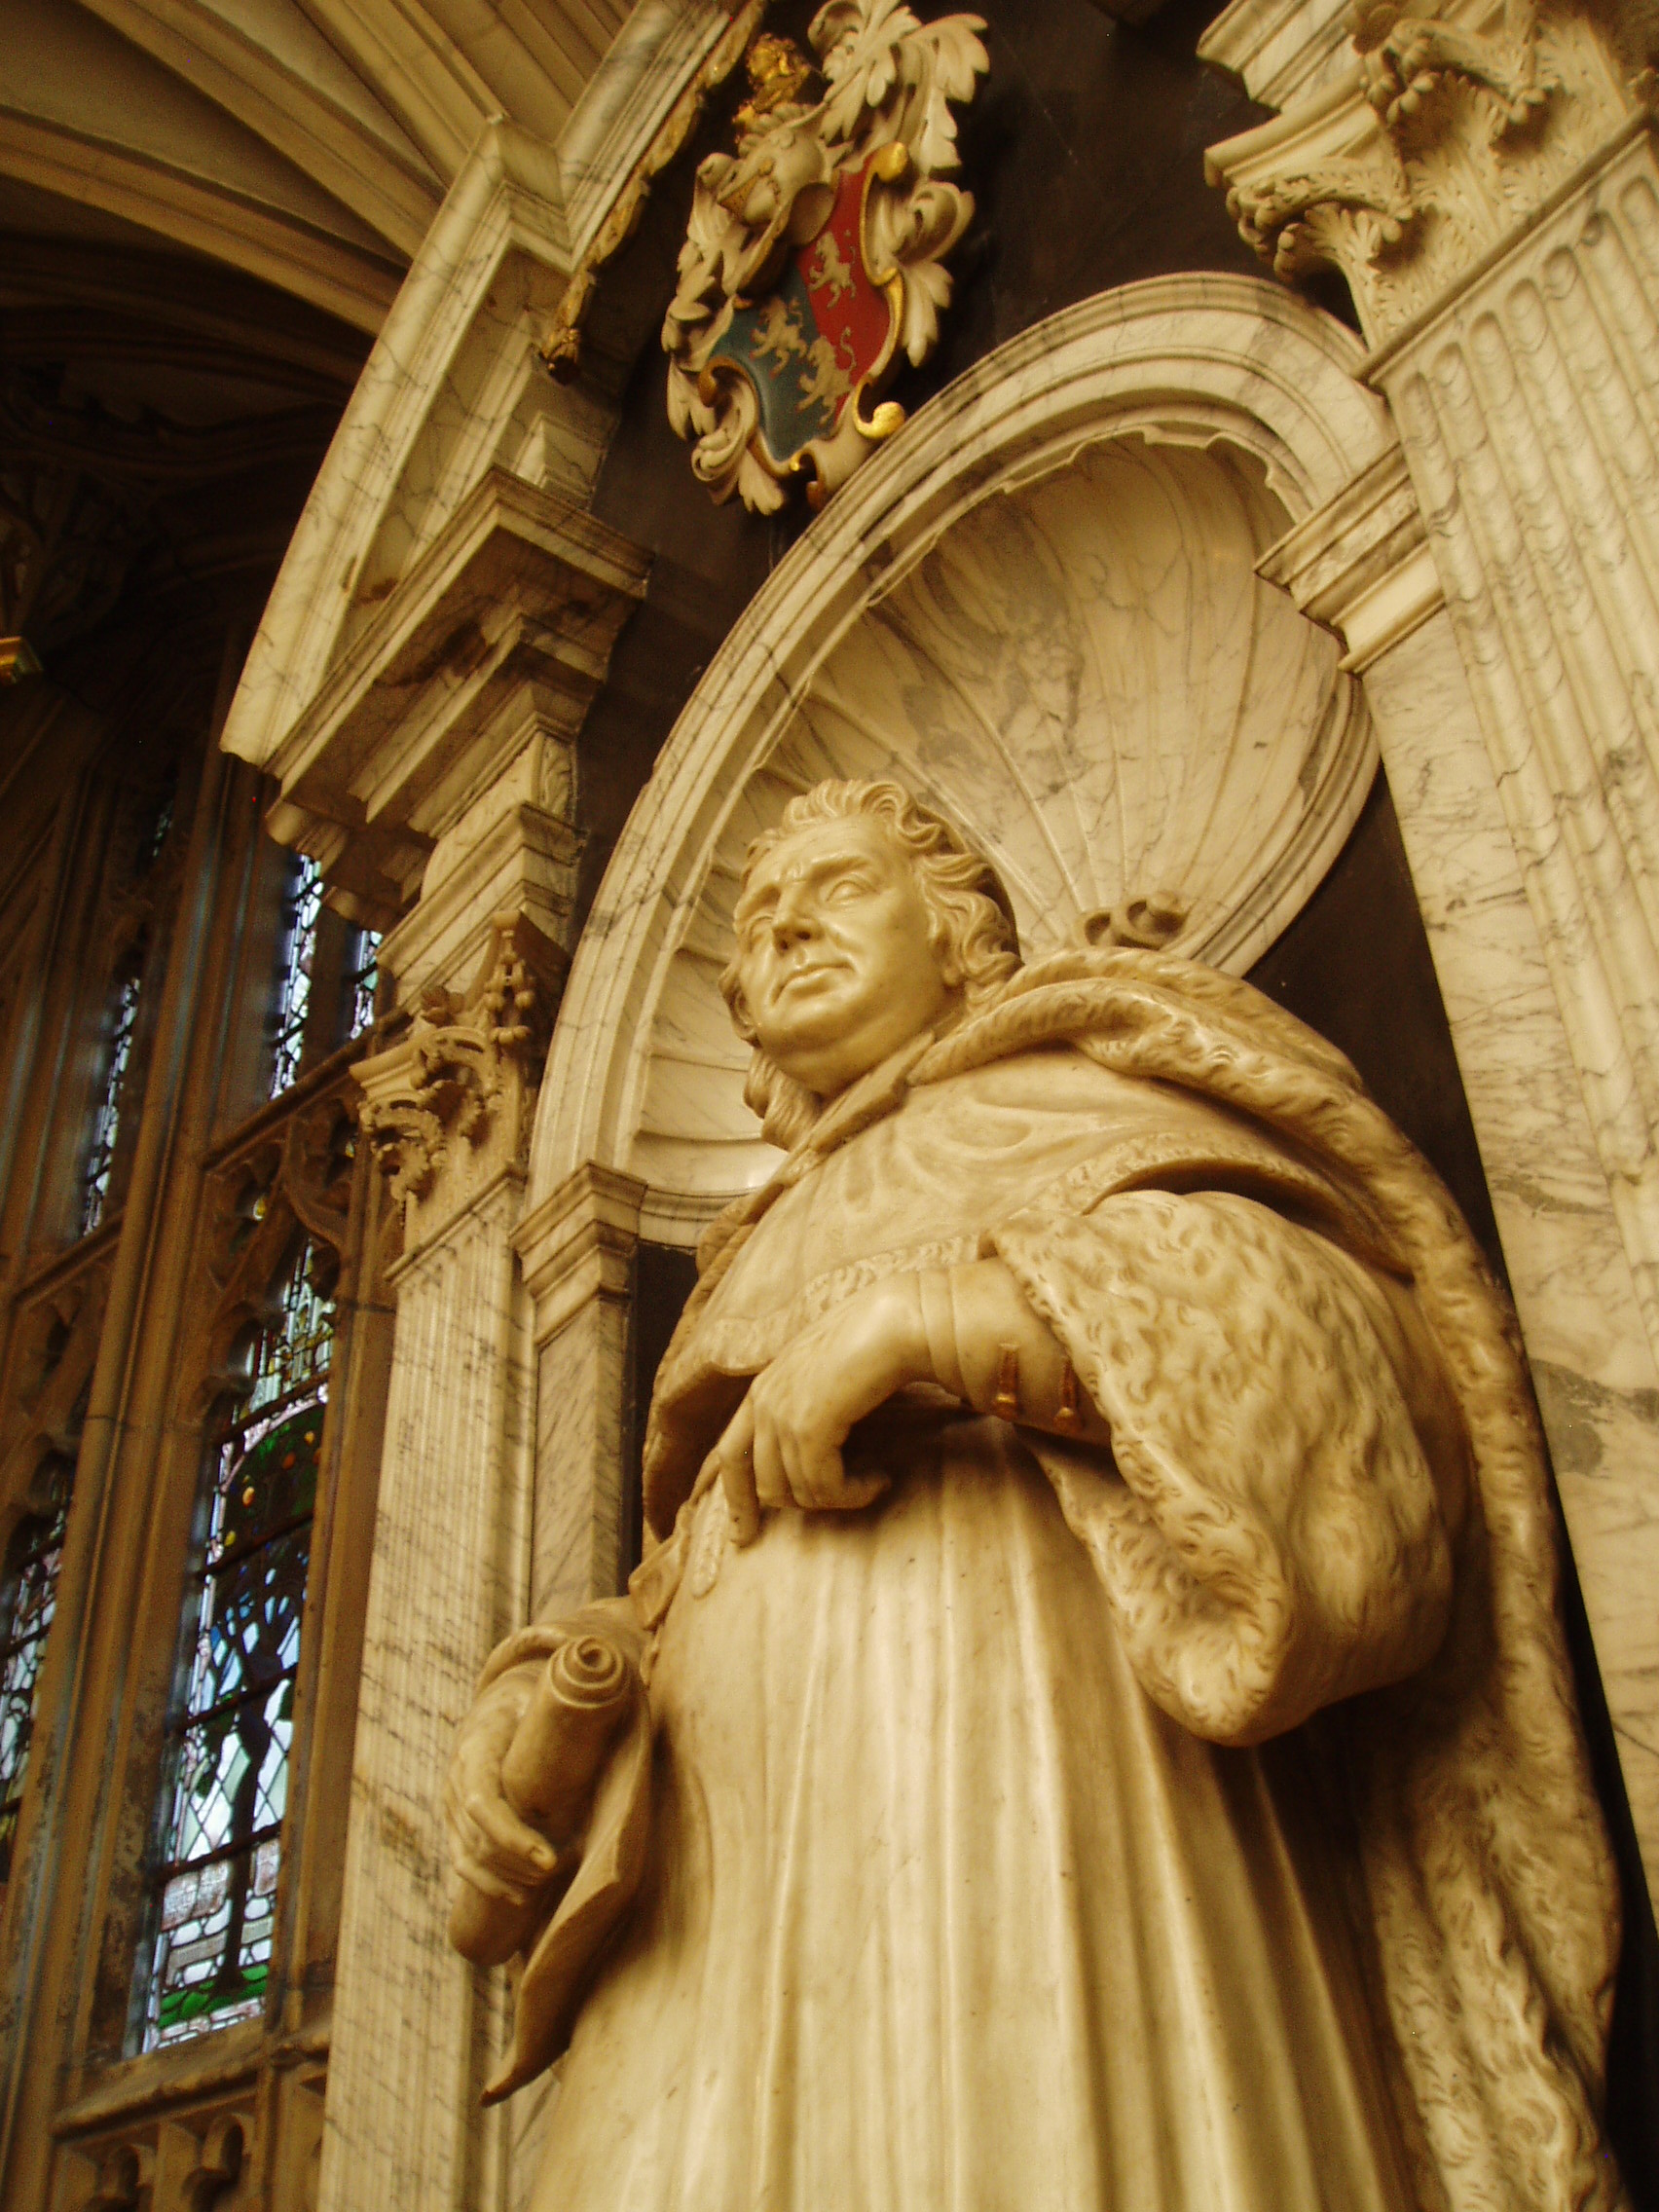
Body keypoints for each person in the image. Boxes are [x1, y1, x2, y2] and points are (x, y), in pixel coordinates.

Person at [446, 778, 1625, 2212]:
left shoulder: (1107, 1085)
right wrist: (577, 1686)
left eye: (839, 885)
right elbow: (696, 1556)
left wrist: (951, 1326)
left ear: (957, 937)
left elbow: (1368, 1401)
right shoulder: (746, 1258)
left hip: (1036, 1802)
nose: (787, 929)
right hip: (727, 1909)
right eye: (755, 923)